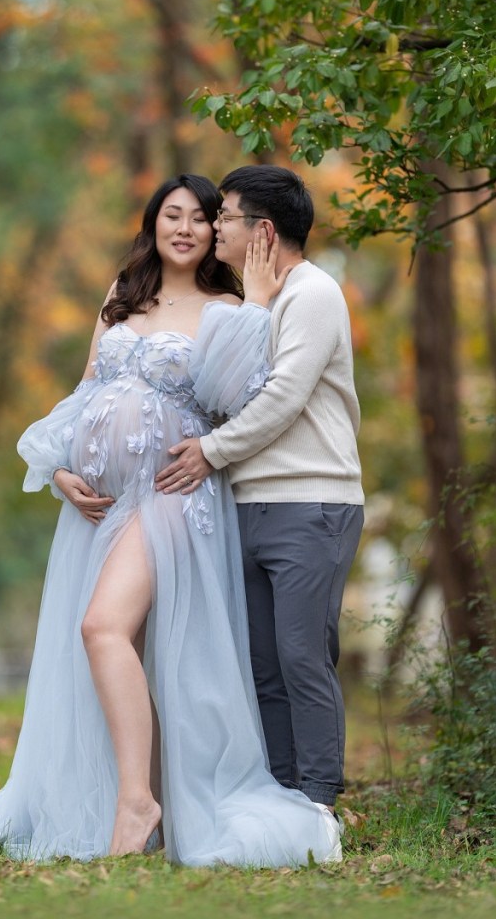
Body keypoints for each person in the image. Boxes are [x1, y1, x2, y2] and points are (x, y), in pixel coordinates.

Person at [0, 174, 341, 867]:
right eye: (170, 215)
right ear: (152, 223)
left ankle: (138, 802)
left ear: (217, 231)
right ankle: (146, 800)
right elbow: (86, 390)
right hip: (104, 504)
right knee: (132, 647)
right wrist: (59, 465)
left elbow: (227, 399)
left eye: (198, 218)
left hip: (172, 494)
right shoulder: (121, 295)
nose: (183, 228)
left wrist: (255, 311)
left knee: (102, 628)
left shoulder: (229, 302)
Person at [156, 165, 364, 816]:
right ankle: (278, 796)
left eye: (226, 215)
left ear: (262, 230)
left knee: (303, 655)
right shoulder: (255, 300)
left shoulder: (314, 294)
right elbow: (217, 394)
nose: (213, 224)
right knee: (262, 665)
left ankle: (319, 800)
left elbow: (282, 398)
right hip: (245, 504)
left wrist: (208, 454)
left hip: (312, 502)